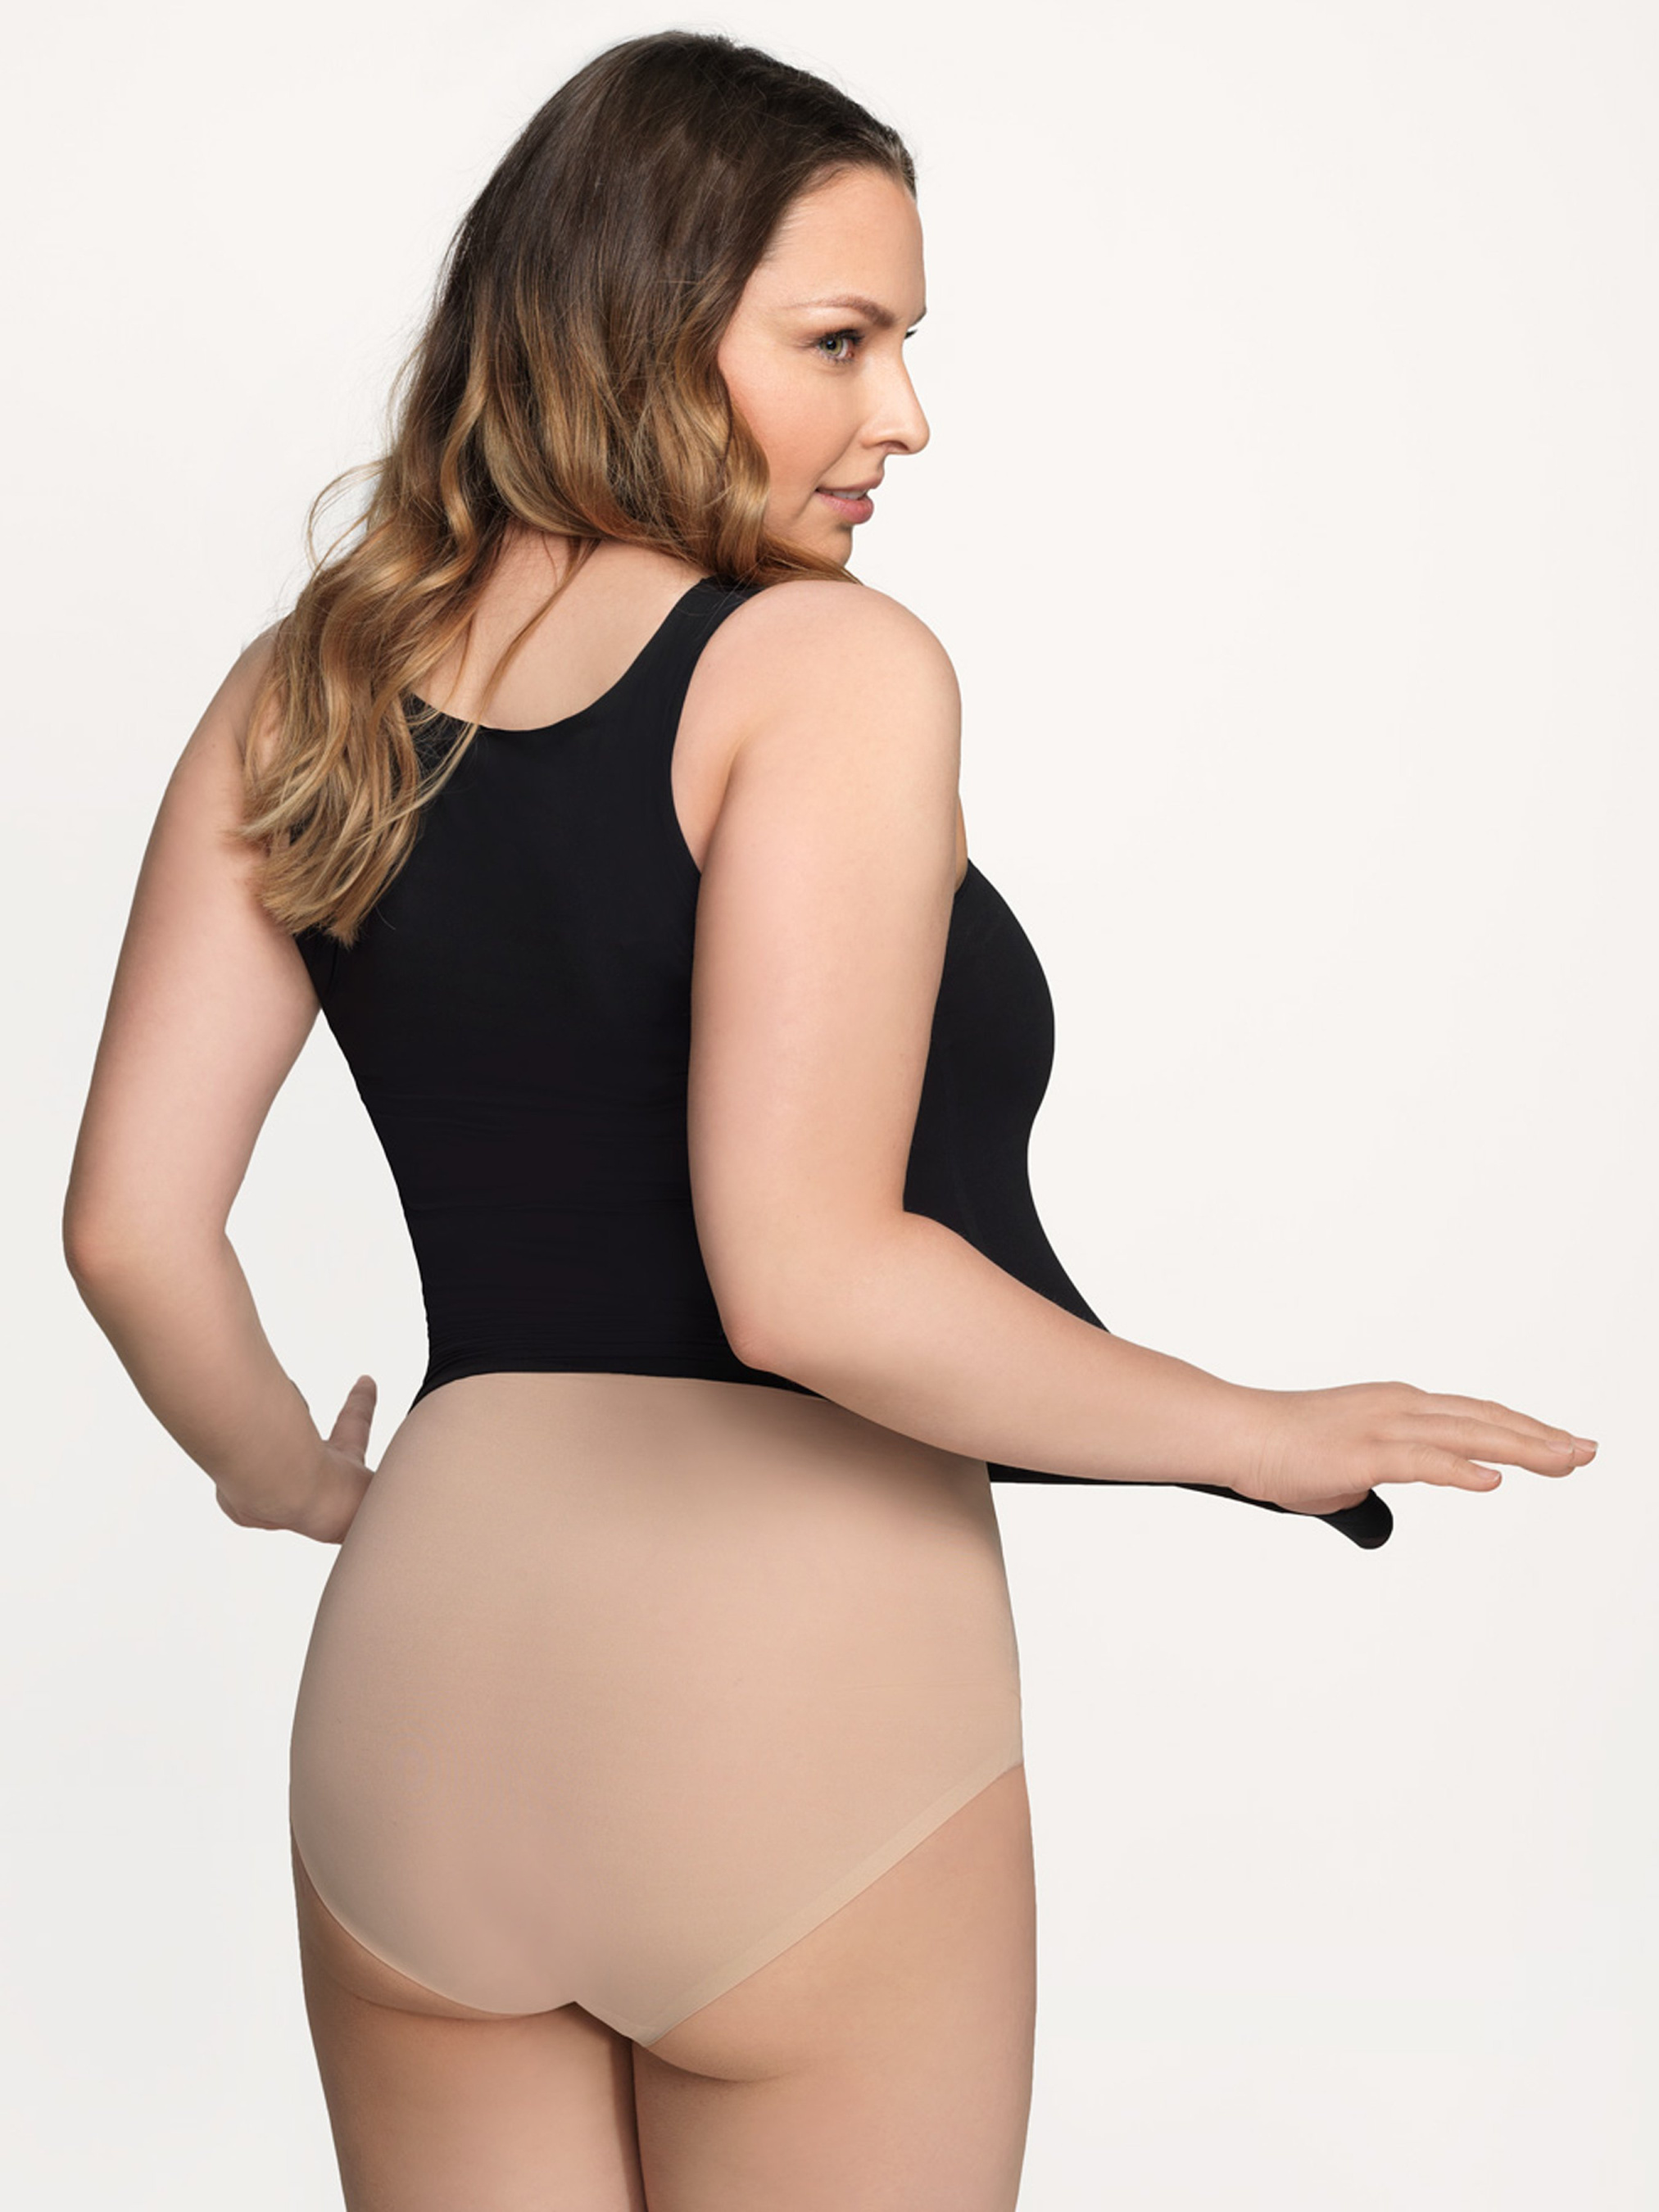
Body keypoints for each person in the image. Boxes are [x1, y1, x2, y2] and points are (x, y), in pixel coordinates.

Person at [61, 27, 1597, 2211]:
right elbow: (806, 1279)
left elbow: (130, 1228)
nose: (904, 415)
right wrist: (1246, 1428)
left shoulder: (306, 681)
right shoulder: (824, 668)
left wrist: (285, 1473)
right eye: (839, 340)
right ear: (638, 315)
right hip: (791, 1689)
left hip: (421, 1687)